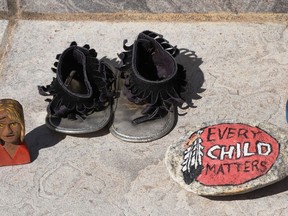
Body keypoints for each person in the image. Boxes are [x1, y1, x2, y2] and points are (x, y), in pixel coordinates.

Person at [0, 99, 30, 166]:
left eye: (13, 124)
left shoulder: (24, 151)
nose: (8, 131)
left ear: (22, 124)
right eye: (1, 125)